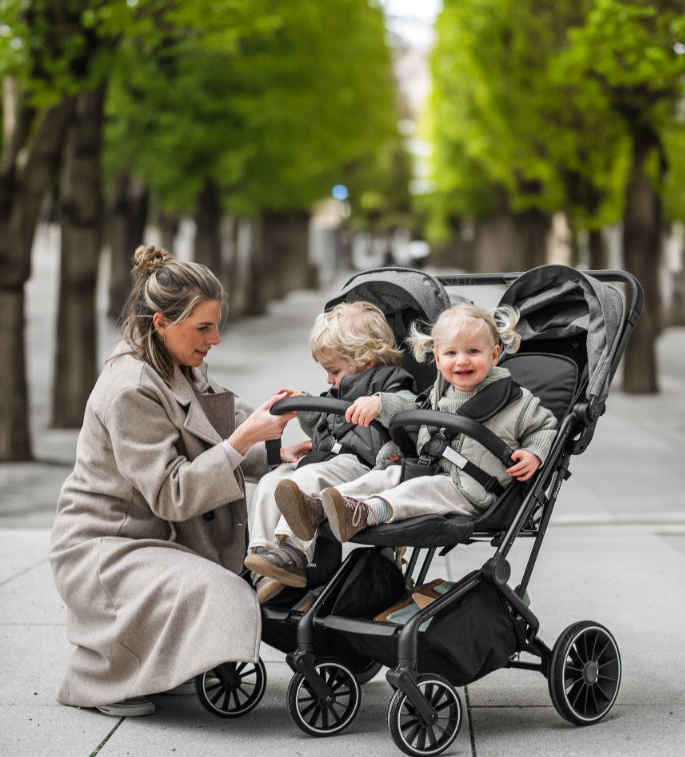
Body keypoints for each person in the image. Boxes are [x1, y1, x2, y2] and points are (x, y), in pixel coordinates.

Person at [49, 245, 301, 718]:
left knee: (232, 582)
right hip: (107, 549)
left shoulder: (179, 364)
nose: (215, 339)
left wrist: (275, 454)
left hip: (154, 540)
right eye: (203, 327)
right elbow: (172, 492)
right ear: (161, 323)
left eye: (216, 325)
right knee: (225, 592)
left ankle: (161, 667)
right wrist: (247, 437)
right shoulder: (130, 388)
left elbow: (209, 434)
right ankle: (106, 681)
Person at [275, 302, 558, 543]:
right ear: (437, 359)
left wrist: (534, 454)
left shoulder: (514, 399)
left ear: (494, 355)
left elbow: (544, 426)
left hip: (474, 491)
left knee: (418, 490)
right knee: (385, 476)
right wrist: (383, 407)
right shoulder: (437, 395)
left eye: (473, 352)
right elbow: (410, 411)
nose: (462, 361)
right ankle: (320, 505)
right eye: (451, 353)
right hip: (432, 472)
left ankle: (365, 513)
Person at [243, 301, 417, 602]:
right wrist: (305, 405)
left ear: (365, 360)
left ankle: (294, 552)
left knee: (308, 478)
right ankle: (263, 557)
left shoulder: (393, 385)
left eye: (333, 370)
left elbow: (413, 408)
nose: (328, 379)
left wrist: (382, 404)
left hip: (367, 468)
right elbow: (326, 428)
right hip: (332, 462)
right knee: (273, 480)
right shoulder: (339, 392)